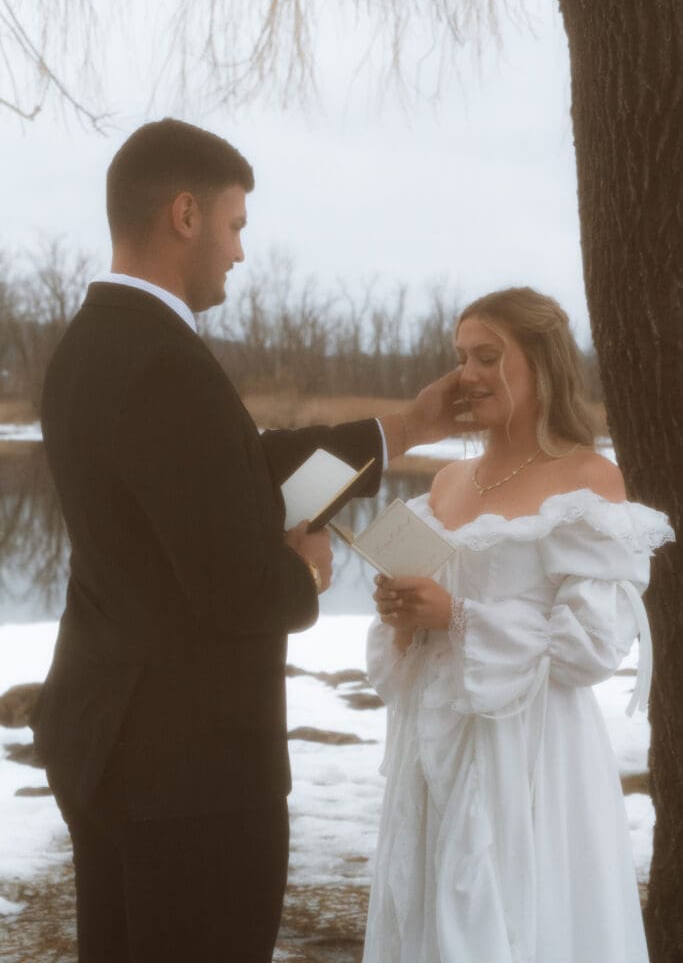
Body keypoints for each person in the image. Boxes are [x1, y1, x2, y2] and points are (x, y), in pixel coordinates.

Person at [33, 118, 474, 963]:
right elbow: (233, 583)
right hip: (187, 773)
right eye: (235, 226)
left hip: (110, 741)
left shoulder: (92, 343)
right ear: (186, 215)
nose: (239, 251)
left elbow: (242, 473)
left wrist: (404, 427)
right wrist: (305, 576)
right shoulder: (163, 361)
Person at [365, 287, 674, 963]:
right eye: (460, 357)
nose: (466, 375)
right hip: (434, 741)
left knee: (511, 917)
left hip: (529, 749)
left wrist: (457, 616)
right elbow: (425, 622)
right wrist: (401, 615)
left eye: (487, 356)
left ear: (538, 362)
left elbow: (590, 648)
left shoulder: (587, 478)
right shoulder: (447, 481)